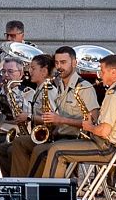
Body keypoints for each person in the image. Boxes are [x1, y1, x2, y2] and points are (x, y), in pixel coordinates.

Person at [42, 55, 116, 180]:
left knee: (56, 150)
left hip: (106, 148)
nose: (100, 75)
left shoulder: (114, 94)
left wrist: (88, 126)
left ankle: (50, 195)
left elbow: (104, 131)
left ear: (114, 72)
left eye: (102, 71)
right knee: (59, 146)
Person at [27, 47, 101, 177]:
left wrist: (60, 120)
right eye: (56, 63)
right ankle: (19, 184)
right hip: (58, 136)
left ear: (74, 63)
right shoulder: (60, 85)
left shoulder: (84, 87)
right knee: (20, 143)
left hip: (76, 139)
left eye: (63, 62)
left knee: (40, 151)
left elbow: (93, 121)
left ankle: (40, 189)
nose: (59, 66)